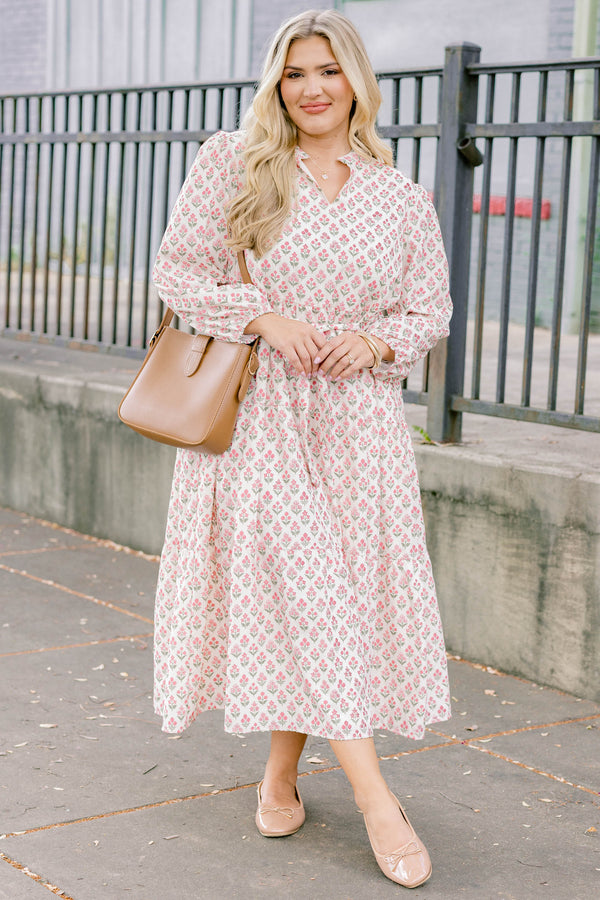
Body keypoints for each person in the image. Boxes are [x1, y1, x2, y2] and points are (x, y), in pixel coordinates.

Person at [152, 7, 452, 890]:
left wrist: (377, 341)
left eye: (328, 70)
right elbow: (177, 273)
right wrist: (262, 316)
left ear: (356, 80)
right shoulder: (234, 162)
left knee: (330, 603)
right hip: (262, 419)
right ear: (276, 85)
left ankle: (281, 773)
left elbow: (429, 308)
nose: (312, 88)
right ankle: (378, 802)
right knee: (312, 591)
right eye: (294, 73)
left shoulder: (399, 195)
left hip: (359, 426)